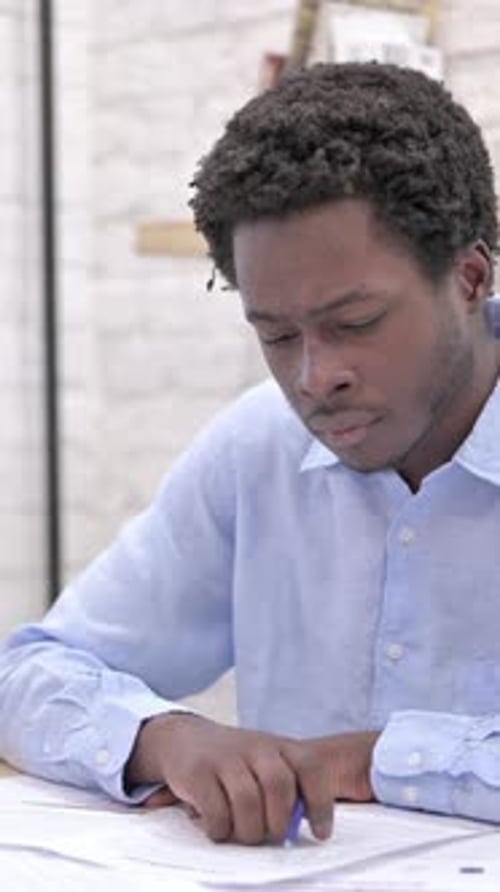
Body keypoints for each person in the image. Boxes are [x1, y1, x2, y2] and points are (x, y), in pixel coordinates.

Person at [1, 61, 500, 846]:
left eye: (357, 322)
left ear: (470, 277)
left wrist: (374, 761)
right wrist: (162, 738)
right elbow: (25, 674)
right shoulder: (259, 447)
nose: (314, 377)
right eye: (275, 335)